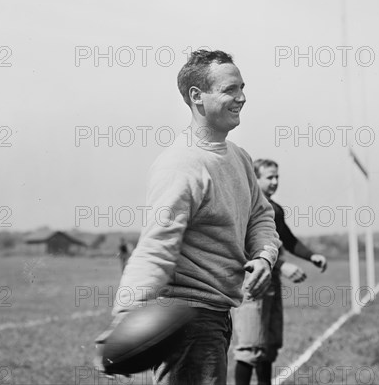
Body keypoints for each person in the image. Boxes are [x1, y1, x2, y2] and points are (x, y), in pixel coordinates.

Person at [95, 50, 282, 385]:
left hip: (218, 316)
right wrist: (126, 316)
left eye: (242, 87)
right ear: (197, 96)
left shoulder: (240, 158)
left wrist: (264, 256)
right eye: (229, 90)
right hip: (187, 323)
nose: (241, 97)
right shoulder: (181, 165)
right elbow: (156, 247)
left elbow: (260, 216)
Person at [233, 159, 328, 385]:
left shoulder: (274, 209)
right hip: (252, 282)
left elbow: (288, 240)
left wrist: (311, 255)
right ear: (254, 179)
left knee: (268, 345)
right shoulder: (246, 205)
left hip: (271, 282)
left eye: (277, 177)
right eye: (269, 177)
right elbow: (247, 244)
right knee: (250, 346)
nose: (275, 181)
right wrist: (281, 265)